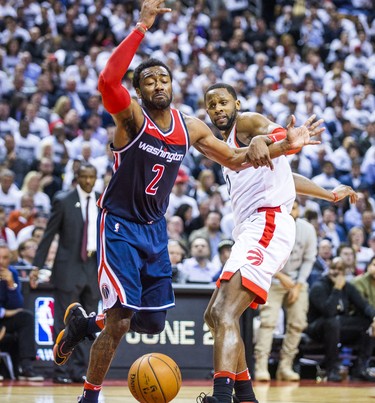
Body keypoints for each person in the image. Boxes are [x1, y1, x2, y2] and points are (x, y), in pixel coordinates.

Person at [44, 2, 324, 402]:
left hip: (155, 229)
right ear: (139, 90)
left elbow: (236, 159)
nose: (158, 85)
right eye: (150, 81)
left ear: (172, 86)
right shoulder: (132, 119)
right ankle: (89, 396)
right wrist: (142, 26)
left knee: (154, 323)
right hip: (120, 224)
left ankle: (85, 326)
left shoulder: (188, 126)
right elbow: (108, 81)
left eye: (164, 79)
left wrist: (282, 146)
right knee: (122, 321)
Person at [200, 83, 357, 402]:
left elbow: (269, 130)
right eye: (212, 104)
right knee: (214, 316)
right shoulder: (228, 149)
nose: (218, 108)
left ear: (236, 103)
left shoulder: (245, 123)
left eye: (223, 102)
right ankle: (246, 397)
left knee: (226, 313)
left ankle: (221, 397)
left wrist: (273, 137)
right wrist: (327, 194)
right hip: (251, 230)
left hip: (267, 223)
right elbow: (289, 179)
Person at [31, 163, 100, 384]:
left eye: (92, 177)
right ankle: (60, 370)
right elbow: (49, 235)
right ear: (77, 177)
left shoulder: (102, 200)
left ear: (96, 178)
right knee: (65, 321)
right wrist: (37, 266)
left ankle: (79, 370)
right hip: (68, 267)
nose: (88, 181)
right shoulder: (64, 200)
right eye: (84, 177)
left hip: (94, 266)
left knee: (89, 323)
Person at [254, 200, 317, 381]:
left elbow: (309, 259)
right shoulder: (270, 223)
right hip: (272, 279)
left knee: (298, 323)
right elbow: (263, 254)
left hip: (297, 281)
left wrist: (298, 285)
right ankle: (261, 366)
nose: (291, 211)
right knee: (268, 322)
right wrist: (281, 277)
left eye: (295, 207)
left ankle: (285, 366)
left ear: (299, 211)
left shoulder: (307, 230)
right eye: (289, 207)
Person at [305, 257, 375, 382]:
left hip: (338, 326)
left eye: (340, 269)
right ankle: (332, 369)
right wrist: (337, 289)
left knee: (368, 323)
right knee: (332, 322)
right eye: (333, 268)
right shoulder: (319, 286)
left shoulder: (347, 287)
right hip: (317, 328)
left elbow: (364, 306)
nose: (336, 272)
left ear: (345, 272)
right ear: (328, 269)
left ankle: (360, 367)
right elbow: (328, 312)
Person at [0, 243, 43, 381]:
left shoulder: (11, 272)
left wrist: (11, 284)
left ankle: (26, 368)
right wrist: (4, 312)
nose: (1, 261)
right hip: (3, 314)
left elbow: (17, 304)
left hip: (5, 318)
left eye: (5, 258)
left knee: (26, 317)